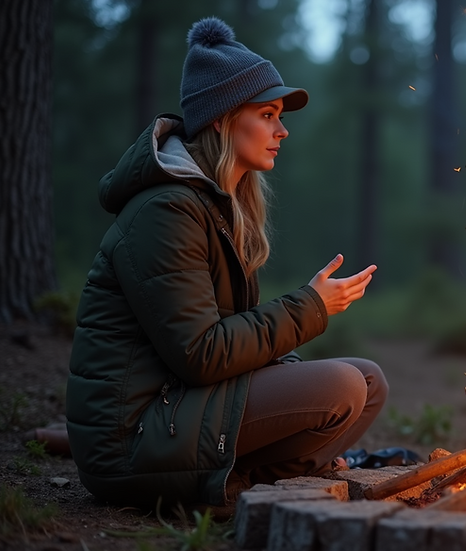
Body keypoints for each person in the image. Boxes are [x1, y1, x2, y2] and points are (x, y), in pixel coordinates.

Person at [66, 17, 387, 510]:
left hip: (179, 410)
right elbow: (201, 354)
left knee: (368, 381)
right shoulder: (166, 211)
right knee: (343, 386)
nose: (281, 130)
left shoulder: (217, 207)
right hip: (133, 440)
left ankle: (253, 483)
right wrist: (309, 307)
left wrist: (300, 334)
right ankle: (237, 490)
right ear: (221, 119)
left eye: (280, 116)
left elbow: (221, 342)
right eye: (268, 114)